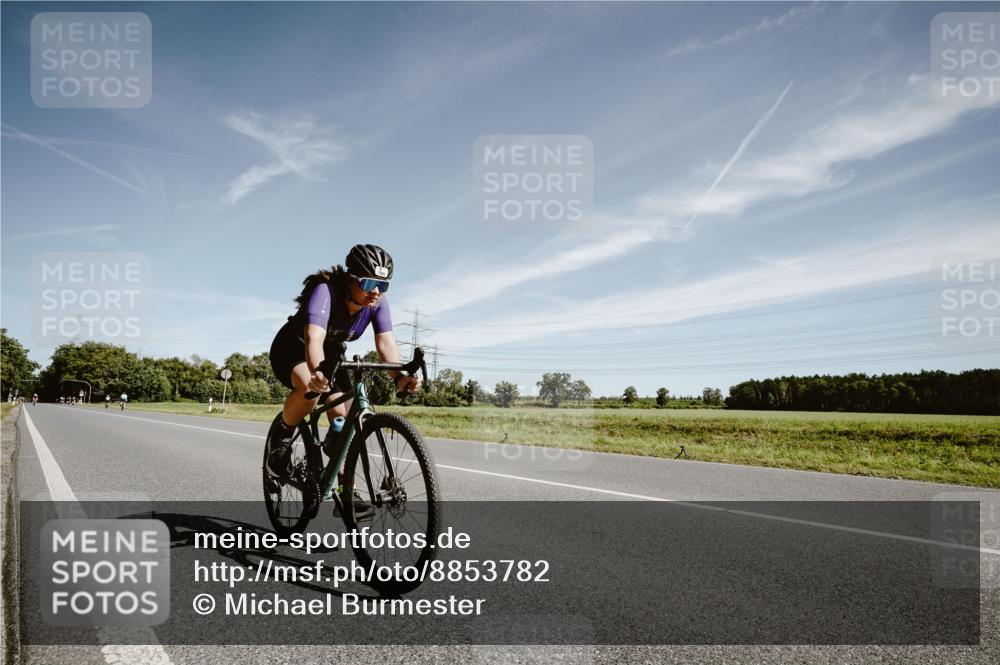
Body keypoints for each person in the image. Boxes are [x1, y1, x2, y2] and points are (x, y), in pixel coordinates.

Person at [265, 244, 421, 489]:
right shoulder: (325, 292)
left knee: (343, 419)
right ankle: (281, 439)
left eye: (384, 285)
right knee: (311, 388)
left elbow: (385, 342)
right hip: (293, 349)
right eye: (369, 284)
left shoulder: (377, 303)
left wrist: (398, 376)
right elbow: (314, 339)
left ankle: (345, 490)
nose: (377, 292)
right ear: (351, 280)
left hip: (332, 354)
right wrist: (318, 375)